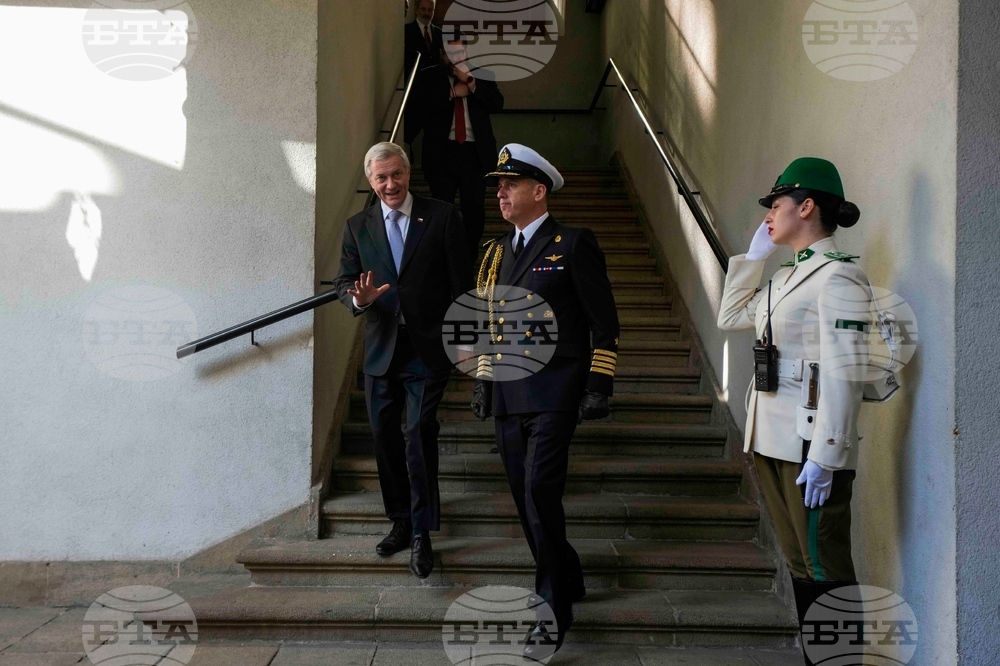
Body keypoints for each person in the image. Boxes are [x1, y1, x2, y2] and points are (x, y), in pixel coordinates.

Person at [717, 157, 870, 666]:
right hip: (770, 438)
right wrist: (753, 257)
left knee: (824, 567)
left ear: (806, 207)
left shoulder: (839, 277)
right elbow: (731, 315)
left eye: (775, 206)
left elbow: (845, 372)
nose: (768, 216)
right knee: (801, 566)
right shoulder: (785, 278)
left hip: (809, 445)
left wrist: (828, 455)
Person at [469, 144, 620, 658]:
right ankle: (568, 573)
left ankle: (552, 608)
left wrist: (599, 385)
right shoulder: (494, 252)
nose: (500, 192)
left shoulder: (574, 243)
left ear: (539, 191)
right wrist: (484, 383)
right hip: (511, 393)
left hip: (558, 389)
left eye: (509, 184)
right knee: (524, 497)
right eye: (498, 185)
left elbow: (605, 322)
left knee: (538, 492)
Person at [334, 142, 473, 580]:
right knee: (383, 438)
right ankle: (400, 520)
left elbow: (462, 285)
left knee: (418, 433)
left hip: (428, 349)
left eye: (396, 174)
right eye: (381, 178)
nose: (390, 184)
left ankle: (421, 532)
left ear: (408, 172)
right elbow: (343, 282)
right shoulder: (358, 226)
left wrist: (466, 343)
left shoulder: (443, 215)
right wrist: (357, 299)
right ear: (370, 181)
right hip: (380, 350)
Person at [421, 35, 504, 256]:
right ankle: (441, 257)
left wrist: (471, 83)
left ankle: (468, 257)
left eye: (460, 53)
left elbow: (497, 104)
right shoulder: (430, 75)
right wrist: (452, 93)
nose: (456, 59)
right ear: (442, 55)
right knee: (440, 209)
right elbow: (420, 109)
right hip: (442, 152)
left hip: (474, 154)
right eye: (451, 54)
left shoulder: (483, 74)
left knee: (474, 210)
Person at [402, 0, 443, 148]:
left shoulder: (439, 34)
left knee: (435, 135)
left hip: (437, 92)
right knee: (409, 133)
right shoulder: (405, 31)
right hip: (415, 91)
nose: (427, 13)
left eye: (430, 10)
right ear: (416, 10)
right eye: (424, 9)